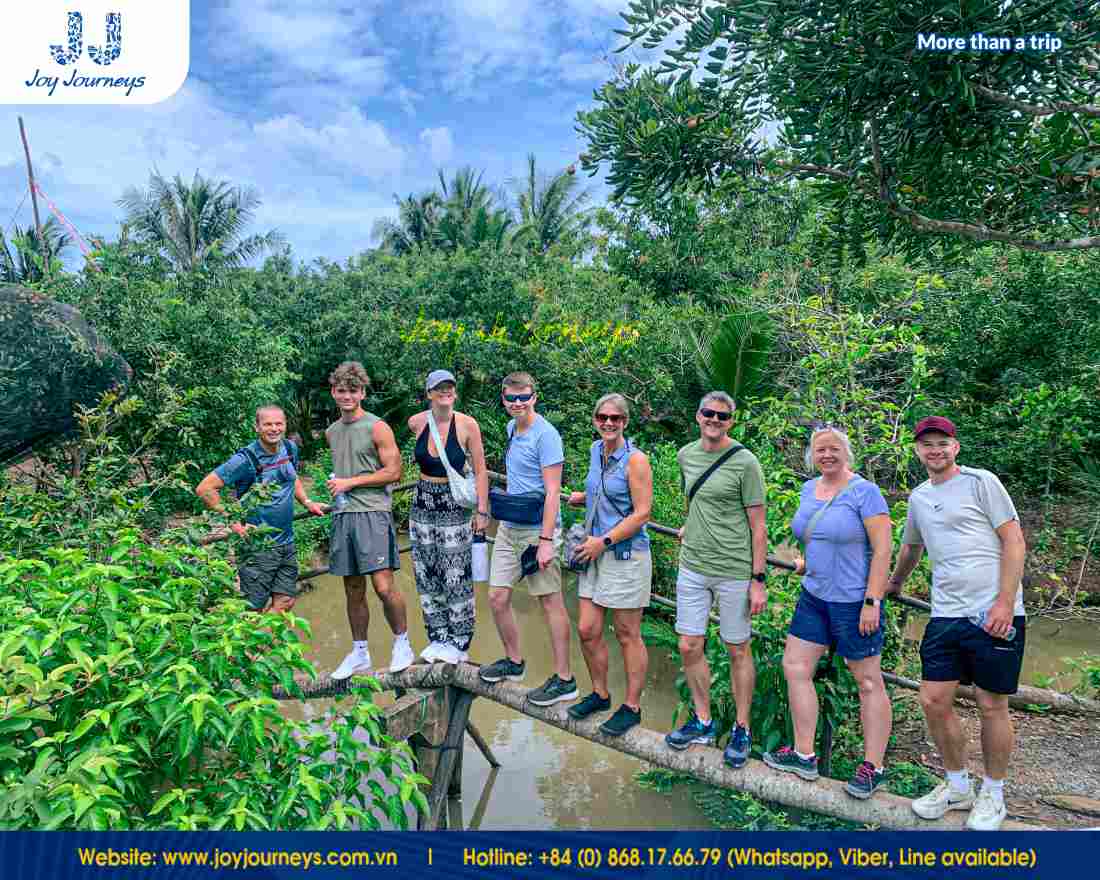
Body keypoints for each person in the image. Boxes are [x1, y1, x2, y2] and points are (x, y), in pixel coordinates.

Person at [890, 416, 1027, 831]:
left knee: (991, 705)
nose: (935, 450)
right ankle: (956, 784)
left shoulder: (981, 482)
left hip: (994, 613)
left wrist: (1004, 603)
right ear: (917, 451)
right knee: (932, 699)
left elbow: (1014, 540)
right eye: (927, 444)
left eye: (942, 443)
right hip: (945, 614)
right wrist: (892, 585)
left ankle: (994, 793)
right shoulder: (918, 498)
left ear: (956, 447)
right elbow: (912, 548)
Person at [762, 426, 893, 799]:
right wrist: (805, 561)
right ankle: (804, 754)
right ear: (812, 455)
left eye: (834, 449)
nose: (827, 455)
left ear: (846, 453)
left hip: (854, 600)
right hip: (814, 595)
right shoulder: (808, 489)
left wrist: (873, 601)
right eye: (820, 450)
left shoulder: (865, 492)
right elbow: (812, 534)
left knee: (867, 681)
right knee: (795, 668)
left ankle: (873, 766)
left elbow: (882, 551)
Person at [665, 391, 767, 770]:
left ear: (731, 421)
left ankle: (741, 728)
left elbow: (759, 526)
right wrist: (688, 524)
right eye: (708, 413)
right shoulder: (686, 455)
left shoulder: (746, 463)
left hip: (734, 570)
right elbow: (695, 499)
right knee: (689, 644)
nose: (714, 420)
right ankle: (703, 720)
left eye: (722, 416)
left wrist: (758, 579)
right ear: (697, 415)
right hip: (693, 564)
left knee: (737, 648)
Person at [478, 371, 578, 708]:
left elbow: (553, 492)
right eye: (511, 398)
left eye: (524, 397)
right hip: (510, 525)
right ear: (503, 399)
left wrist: (547, 540)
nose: (518, 404)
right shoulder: (510, 429)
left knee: (550, 601)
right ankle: (514, 660)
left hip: (538, 528)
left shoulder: (546, 435)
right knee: (496, 597)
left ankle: (565, 679)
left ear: (534, 397)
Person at [565, 394, 654, 737]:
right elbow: (606, 490)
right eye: (602, 417)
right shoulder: (595, 450)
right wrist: (584, 497)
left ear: (625, 422)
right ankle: (600, 694)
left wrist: (603, 543)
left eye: (615, 418)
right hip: (593, 549)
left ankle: (631, 707)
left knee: (628, 633)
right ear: (595, 419)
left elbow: (642, 511)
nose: (608, 423)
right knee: (587, 629)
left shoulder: (636, 460)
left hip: (623, 553)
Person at [325, 361, 414, 679]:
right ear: (333, 392)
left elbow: (394, 472)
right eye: (341, 390)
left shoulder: (378, 426)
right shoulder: (331, 431)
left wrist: (351, 482)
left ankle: (402, 642)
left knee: (383, 585)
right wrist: (337, 490)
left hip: (374, 512)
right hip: (343, 514)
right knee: (352, 588)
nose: (347, 396)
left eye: (353, 390)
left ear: (362, 392)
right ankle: (359, 651)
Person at [195, 405, 325, 613]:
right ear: (257, 427)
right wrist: (234, 521)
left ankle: (262, 644)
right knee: (252, 609)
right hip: (257, 546)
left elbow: (292, 478)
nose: (274, 428)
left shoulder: (289, 448)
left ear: (285, 425)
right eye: (268, 424)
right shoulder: (245, 459)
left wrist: (307, 502)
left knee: (285, 602)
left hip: (286, 541)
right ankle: (249, 644)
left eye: (278, 423)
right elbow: (205, 488)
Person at [407, 369, 490, 665]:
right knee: (426, 573)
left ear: (455, 391)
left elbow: (480, 470)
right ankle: (438, 636)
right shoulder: (417, 422)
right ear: (429, 393)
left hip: (454, 507)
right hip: (421, 505)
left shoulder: (467, 425)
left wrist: (482, 510)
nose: (445, 392)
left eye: (450, 387)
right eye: (439, 388)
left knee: (455, 574)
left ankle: (459, 639)